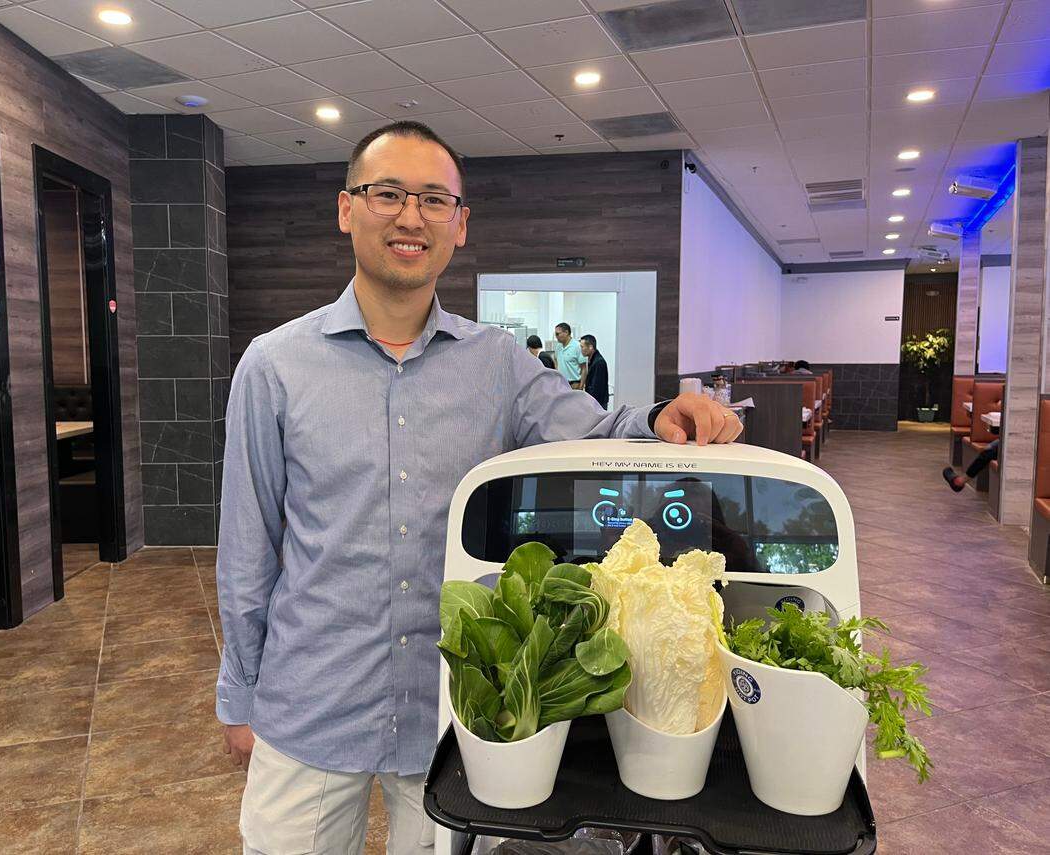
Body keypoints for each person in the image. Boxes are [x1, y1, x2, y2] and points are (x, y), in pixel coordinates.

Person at [215, 119, 743, 855]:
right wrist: (239, 697)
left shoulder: (497, 363)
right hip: (308, 703)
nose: (410, 216)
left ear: (459, 225)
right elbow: (248, 551)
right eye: (388, 193)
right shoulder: (273, 366)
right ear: (346, 208)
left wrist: (661, 414)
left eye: (434, 200)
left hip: (455, 706)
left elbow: (591, 431)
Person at [580, 334, 609, 409]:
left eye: (582, 347)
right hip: (594, 402)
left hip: (597, 403)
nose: (581, 349)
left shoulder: (598, 362)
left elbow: (596, 387)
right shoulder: (592, 360)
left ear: (590, 347)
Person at [554, 321, 586, 388]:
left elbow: (584, 368)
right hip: (561, 384)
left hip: (574, 384)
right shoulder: (558, 346)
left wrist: (581, 386)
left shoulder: (577, 346)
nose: (556, 336)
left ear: (566, 332)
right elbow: (556, 360)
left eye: (557, 334)